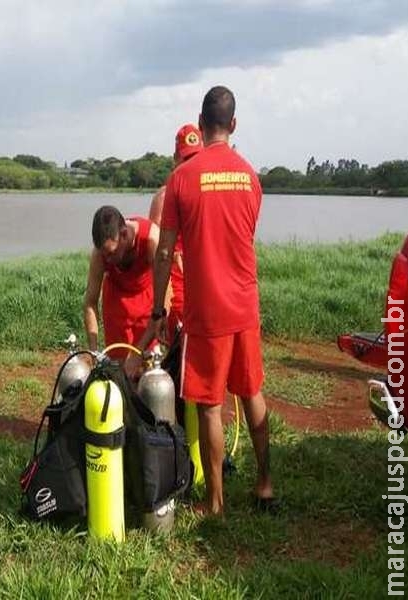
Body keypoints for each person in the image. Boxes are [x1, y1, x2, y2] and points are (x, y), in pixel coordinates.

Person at [137, 86, 274, 517]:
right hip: (245, 304)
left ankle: (215, 503)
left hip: (207, 310)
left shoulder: (181, 179)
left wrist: (158, 310)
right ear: (233, 124)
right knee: (252, 392)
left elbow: (164, 252)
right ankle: (266, 485)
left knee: (211, 406)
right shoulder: (251, 176)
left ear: (201, 122)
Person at [82, 206, 159, 363]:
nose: (108, 260)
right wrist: (94, 351)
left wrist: (138, 353)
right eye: (105, 255)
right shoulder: (101, 253)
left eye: (111, 253)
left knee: (146, 366)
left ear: (124, 234)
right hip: (116, 303)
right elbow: (90, 302)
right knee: (119, 367)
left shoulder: (151, 238)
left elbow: (164, 297)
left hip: (147, 300)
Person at [147, 123, 203, 339]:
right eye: (186, 159)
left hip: (202, 281)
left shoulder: (207, 192)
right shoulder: (164, 196)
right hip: (175, 282)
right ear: (175, 159)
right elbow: (157, 250)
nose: (190, 164)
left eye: (195, 158)